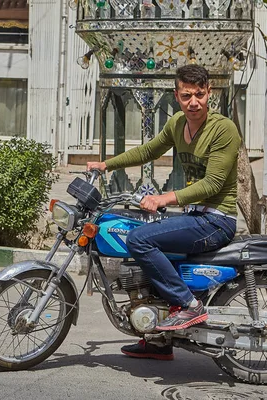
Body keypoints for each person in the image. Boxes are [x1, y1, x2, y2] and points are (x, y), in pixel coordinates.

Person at [87, 64, 240, 360]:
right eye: (186, 95)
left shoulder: (223, 129)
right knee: (139, 234)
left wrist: (164, 198)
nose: (193, 102)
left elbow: (214, 183)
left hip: (217, 220)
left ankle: (188, 305)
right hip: (196, 216)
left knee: (140, 240)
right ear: (176, 95)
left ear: (210, 93)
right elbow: (148, 151)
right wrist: (105, 165)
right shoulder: (178, 124)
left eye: (199, 94)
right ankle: (159, 341)